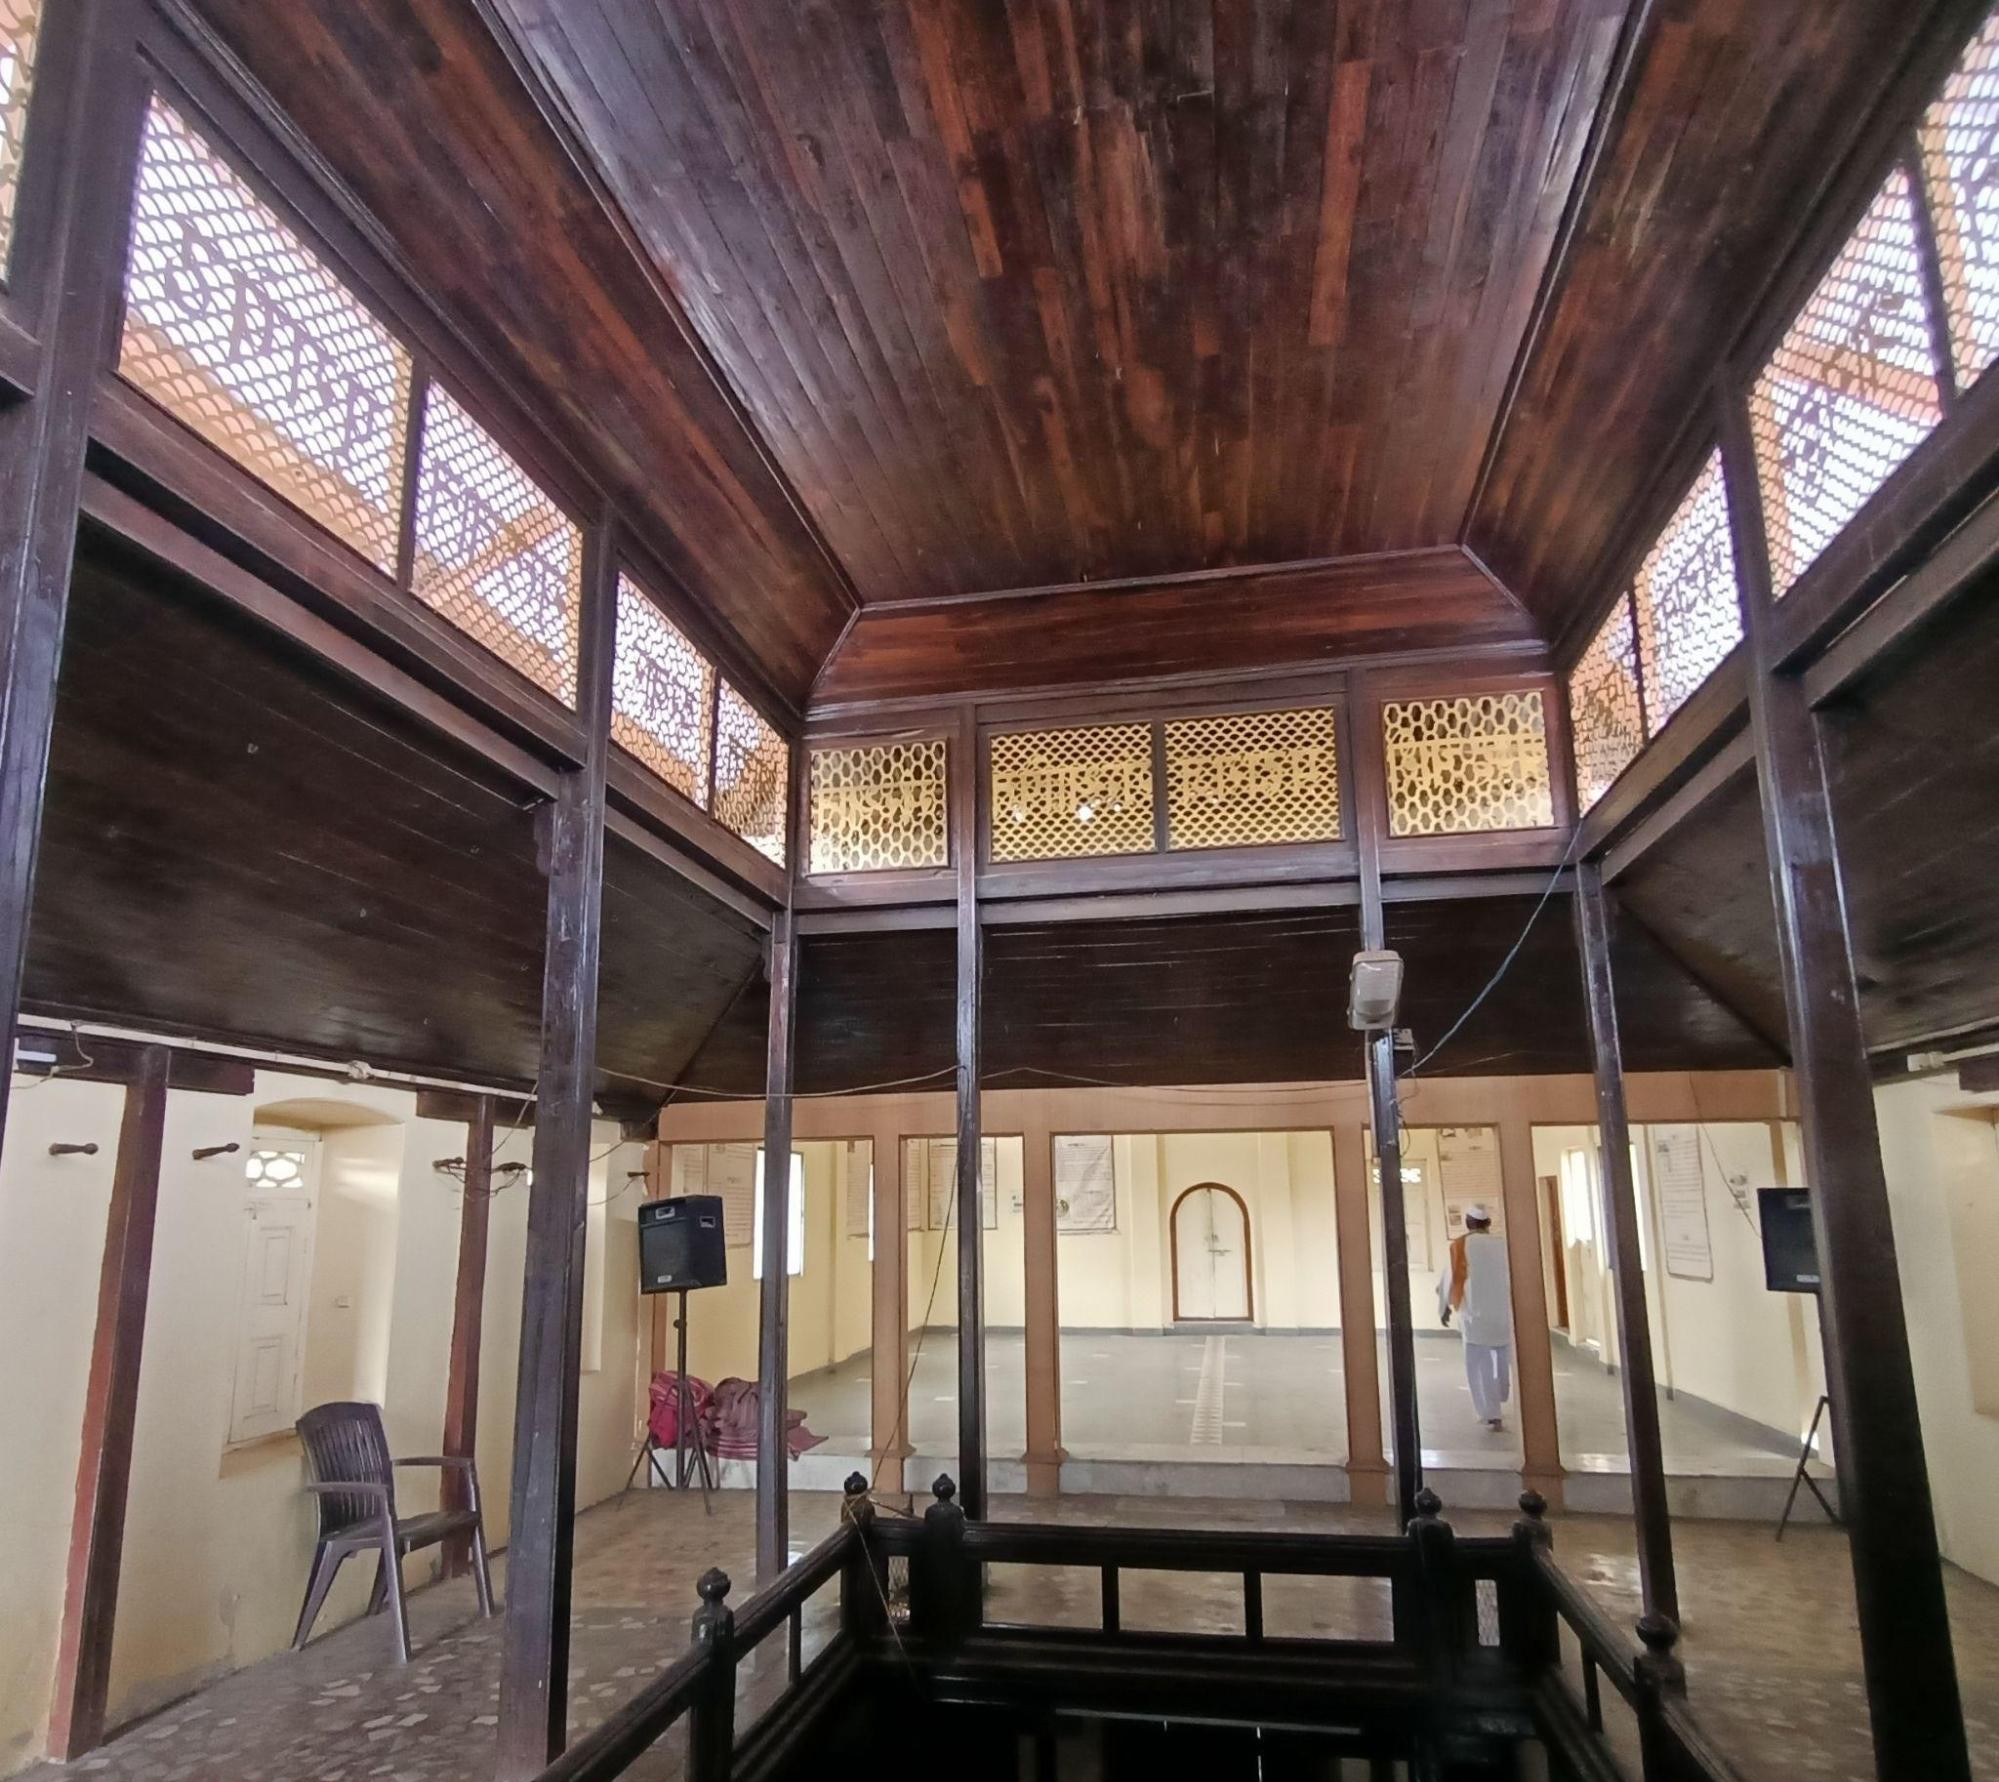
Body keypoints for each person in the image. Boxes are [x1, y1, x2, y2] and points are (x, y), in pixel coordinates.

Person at [1437, 1205, 1513, 1431]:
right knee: (1502, 1360)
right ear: (1488, 1224)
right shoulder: (1504, 1244)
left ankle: (1490, 1413)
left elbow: (1450, 1278)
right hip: (1503, 1315)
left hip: (1474, 1316)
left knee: (1479, 1365)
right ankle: (1502, 1394)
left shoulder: (1460, 1245)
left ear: (1468, 1223)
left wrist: (1444, 1307)